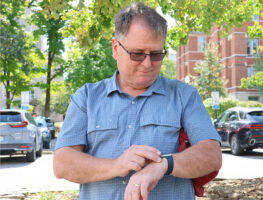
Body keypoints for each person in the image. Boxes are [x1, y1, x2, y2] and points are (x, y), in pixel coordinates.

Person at [53, 2, 222, 200]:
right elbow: (62, 163)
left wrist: (164, 165)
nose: (148, 64)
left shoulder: (184, 96)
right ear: (116, 48)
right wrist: (117, 165)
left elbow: (212, 155)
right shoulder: (87, 98)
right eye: (137, 54)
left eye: (156, 54)